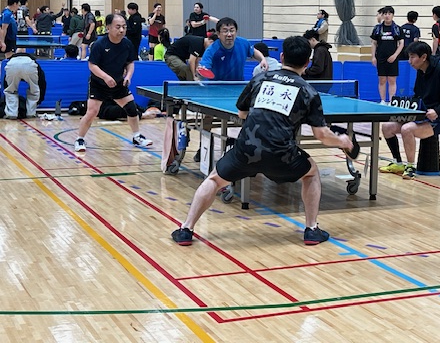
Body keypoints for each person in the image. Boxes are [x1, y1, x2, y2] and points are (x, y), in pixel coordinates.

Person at [170, 36, 354, 246]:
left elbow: (241, 114)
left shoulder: (260, 79)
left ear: (282, 57)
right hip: (282, 156)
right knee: (311, 173)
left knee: (213, 180)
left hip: (246, 150)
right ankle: (311, 229)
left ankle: (186, 229)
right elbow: (321, 135)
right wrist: (341, 141)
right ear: (307, 62)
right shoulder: (308, 91)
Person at [74, 14, 153, 152]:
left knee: (132, 109)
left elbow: (130, 63)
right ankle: (80, 139)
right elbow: (92, 65)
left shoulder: (127, 44)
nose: (121, 30)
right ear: (108, 28)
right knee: (92, 112)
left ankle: (137, 136)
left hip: (118, 84)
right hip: (99, 84)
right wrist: (105, 77)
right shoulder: (99, 44)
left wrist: (128, 76)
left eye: (124, 27)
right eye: (118, 27)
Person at [379, 41, 440, 179]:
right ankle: (398, 163)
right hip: (421, 117)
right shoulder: (421, 71)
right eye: (409, 57)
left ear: (424, 57)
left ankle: (410, 167)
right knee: (386, 127)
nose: (409, 61)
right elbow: (417, 96)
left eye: (412, 57)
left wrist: (437, 111)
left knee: (407, 129)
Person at [199, 17, 267, 80]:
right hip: (217, 86)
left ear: (236, 32)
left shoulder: (244, 43)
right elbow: (204, 69)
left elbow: (253, 51)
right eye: (225, 31)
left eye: (232, 30)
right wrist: (201, 71)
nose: (229, 34)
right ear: (218, 34)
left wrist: (262, 59)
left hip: (238, 85)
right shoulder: (211, 50)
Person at [371, 6, 404, 104]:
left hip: (393, 58)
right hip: (381, 57)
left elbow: (401, 43)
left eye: (389, 14)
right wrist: (373, 57)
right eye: (385, 14)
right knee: (382, 80)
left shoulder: (397, 29)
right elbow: (374, 43)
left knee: (392, 80)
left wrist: (395, 55)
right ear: (382, 15)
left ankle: (391, 100)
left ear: (393, 15)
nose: (387, 16)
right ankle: (382, 100)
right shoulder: (377, 29)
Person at [2, 52, 47, 119]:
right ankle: (31, 113)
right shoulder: (33, 61)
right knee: (34, 91)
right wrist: (40, 100)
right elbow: (42, 83)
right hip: (30, 65)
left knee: (10, 91)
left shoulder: (11, 60)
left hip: (12, 64)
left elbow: (6, 84)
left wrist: (8, 89)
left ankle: (12, 113)